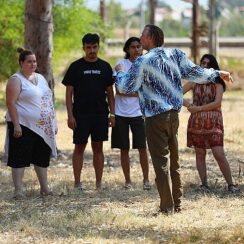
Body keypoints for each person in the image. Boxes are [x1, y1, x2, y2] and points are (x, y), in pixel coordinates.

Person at [115, 24, 233, 214]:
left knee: (161, 163)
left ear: (151, 38)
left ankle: (167, 207)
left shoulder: (142, 61)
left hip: (155, 118)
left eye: (143, 35)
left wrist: (119, 71)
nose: (140, 38)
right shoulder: (175, 54)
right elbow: (196, 72)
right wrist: (217, 73)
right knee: (174, 162)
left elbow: (125, 87)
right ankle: (177, 204)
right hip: (173, 116)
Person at [62, 33, 115, 190]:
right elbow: (68, 94)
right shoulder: (75, 67)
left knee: (98, 148)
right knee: (79, 148)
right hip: (80, 115)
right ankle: (77, 183)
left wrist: (112, 114)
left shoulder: (105, 67)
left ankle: (99, 183)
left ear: (98, 47)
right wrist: (70, 116)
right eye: (88, 47)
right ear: (83, 48)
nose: (91, 50)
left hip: (100, 115)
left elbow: (111, 95)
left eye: (94, 47)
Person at [183, 54, 240, 193]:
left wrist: (199, 108)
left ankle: (231, 185)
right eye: (203, 63)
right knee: (200, 153)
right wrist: (188, 104)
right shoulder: (194, 81)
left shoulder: (218, 82)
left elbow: (217, 103)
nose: (205, 66)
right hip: (196, 122)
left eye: (208, 64)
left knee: (218, 153)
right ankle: (204, 185)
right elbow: (176, 94)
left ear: (213, 67)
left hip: (214, 121)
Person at [5, 47, 57, 199]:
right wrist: (16, 125)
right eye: (29, 62)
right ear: (21, 63)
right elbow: (10, 103)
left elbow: (48, 100)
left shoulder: (40, 78)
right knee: (19, 158)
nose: (33, 64)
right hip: (22, 125)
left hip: (42, 126)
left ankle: (44, 188)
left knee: (41, 157)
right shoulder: (16, 79)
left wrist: (53, 122)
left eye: (34, 61)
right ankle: (18, 190)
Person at [112, 37, 151, 190]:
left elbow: (147, 91)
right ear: (127, 49)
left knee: (142, 148)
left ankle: (146, 180)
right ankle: (128, 181)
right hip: (121, 113)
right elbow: (119, 90)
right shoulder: (121, 65)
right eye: (133, 47)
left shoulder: (146, 66)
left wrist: (131, 90)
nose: (136, 50)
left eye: (139, 47)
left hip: (139, 114)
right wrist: (137, 91)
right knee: (124, 149)